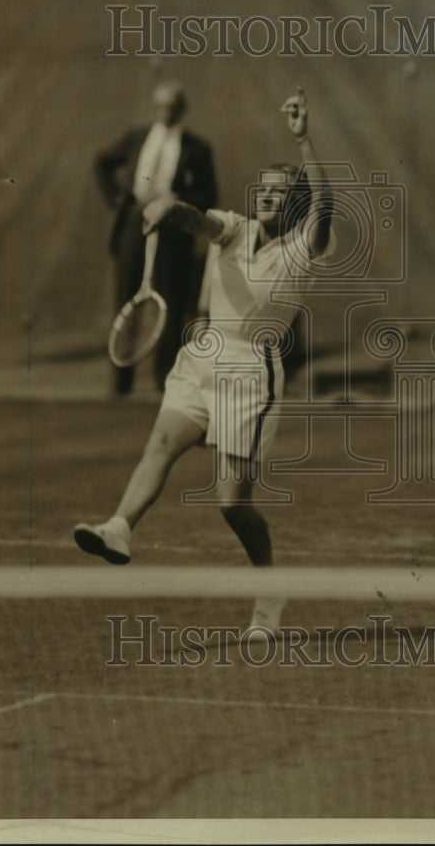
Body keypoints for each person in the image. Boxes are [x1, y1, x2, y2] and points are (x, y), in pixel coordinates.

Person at [75, 89, 335, 633]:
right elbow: (200, 222)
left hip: (251, 374)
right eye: (262, 190)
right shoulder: (236, 228)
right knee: (163, 443)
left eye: (279, 192)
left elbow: (325, 203)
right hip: (204, 356)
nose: (266, 197)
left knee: (232, 505)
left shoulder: (305, 245)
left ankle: (270, 592)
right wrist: (169, 209)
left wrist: (304, 138)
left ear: (294, 202)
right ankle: (121, 525)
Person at [94, 80, 218, 394]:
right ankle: (120, 384)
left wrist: (179, 201)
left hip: (173, 233)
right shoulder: (136, 138)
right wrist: (117, 200)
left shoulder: (197, 148)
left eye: (173, 105)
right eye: (161, 105)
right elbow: (102, 163)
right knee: (126, 300)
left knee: (170, 305)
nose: (167, 111)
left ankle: (166, 382)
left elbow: (210, 194)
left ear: (182, 108)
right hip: (134, 226)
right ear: (155, 107)